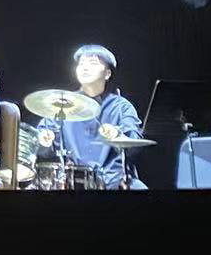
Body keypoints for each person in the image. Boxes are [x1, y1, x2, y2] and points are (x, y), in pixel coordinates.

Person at [34, 43, 142, 190]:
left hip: (113, 181)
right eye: (81, 63)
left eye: (93, 63)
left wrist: (118, 134)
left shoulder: (121, 106)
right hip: (73, 181)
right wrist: (44, 140)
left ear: (107, 74)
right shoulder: (63, 103)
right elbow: (40, 144)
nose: (85, 67)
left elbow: (135, 143)